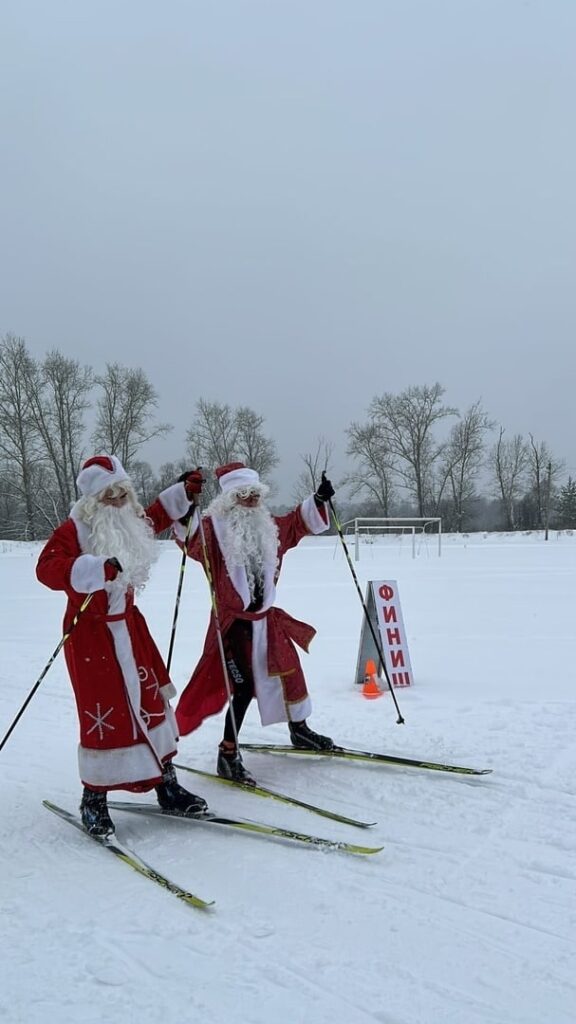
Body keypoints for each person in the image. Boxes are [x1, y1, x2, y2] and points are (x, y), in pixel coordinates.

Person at [36, 454, 208, 837]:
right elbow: (46, 568)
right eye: (109, 495)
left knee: (151, 704)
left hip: (130, 632)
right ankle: (94, 798)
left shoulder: (130, 521)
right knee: (104, 713)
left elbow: (155, 518)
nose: (118, 502)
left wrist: (184, 492)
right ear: (92, 500)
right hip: (90, 636)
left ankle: (167, 784)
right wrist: (92, 570)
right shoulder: (74, 530)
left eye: (122, 493)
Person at [174, 462, 336, 785]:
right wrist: (184, 499)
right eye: (243, 495)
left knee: (290, 672)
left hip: (265, 622)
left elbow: (295, 524)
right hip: (232, 626)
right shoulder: (213, 531)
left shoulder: (268, 527)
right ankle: (228, 753)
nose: (250, 501)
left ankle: (300, 730)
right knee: (244, 686)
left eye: (254, 495)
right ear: (229, 498)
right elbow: (188, 537)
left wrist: (317, 500)